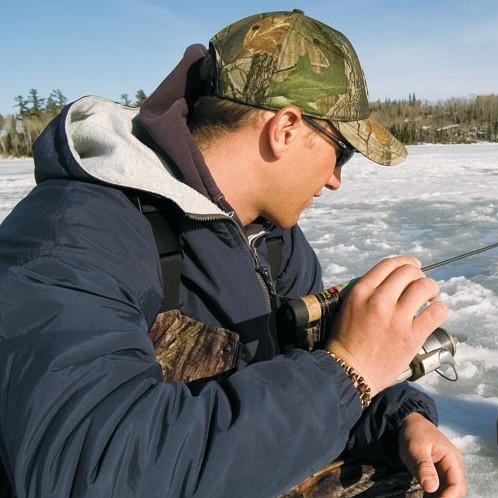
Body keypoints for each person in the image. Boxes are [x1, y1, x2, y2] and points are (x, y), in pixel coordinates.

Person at [0, 9, 466, 498]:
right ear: (285, 128)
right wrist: (349, 371)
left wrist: (400, 420)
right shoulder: (72, 237)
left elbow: (311, 363)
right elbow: (92, 471)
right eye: (341, 151)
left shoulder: (276, 241)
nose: (335, 179)